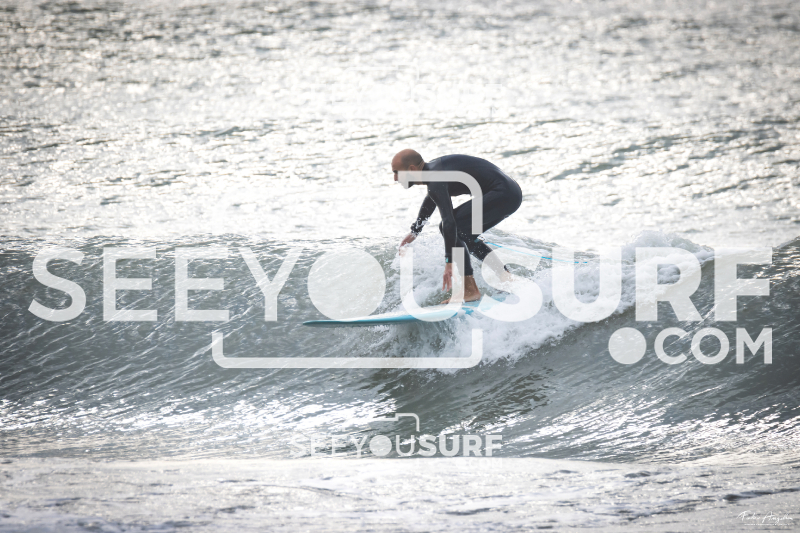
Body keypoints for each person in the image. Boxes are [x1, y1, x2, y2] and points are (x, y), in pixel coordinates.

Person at [392, 149, 523, 303]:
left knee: (455, 228)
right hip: (510, 192)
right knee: (466, 235)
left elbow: (449, 222)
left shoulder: (434, 178)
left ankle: (470, 289)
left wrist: (448, 262)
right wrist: (415, 231)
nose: (395, 178)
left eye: (397, 172)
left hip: (503, 194)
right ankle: (506, 278)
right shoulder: (434, 172)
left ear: (412, 169)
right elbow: (432, 198)